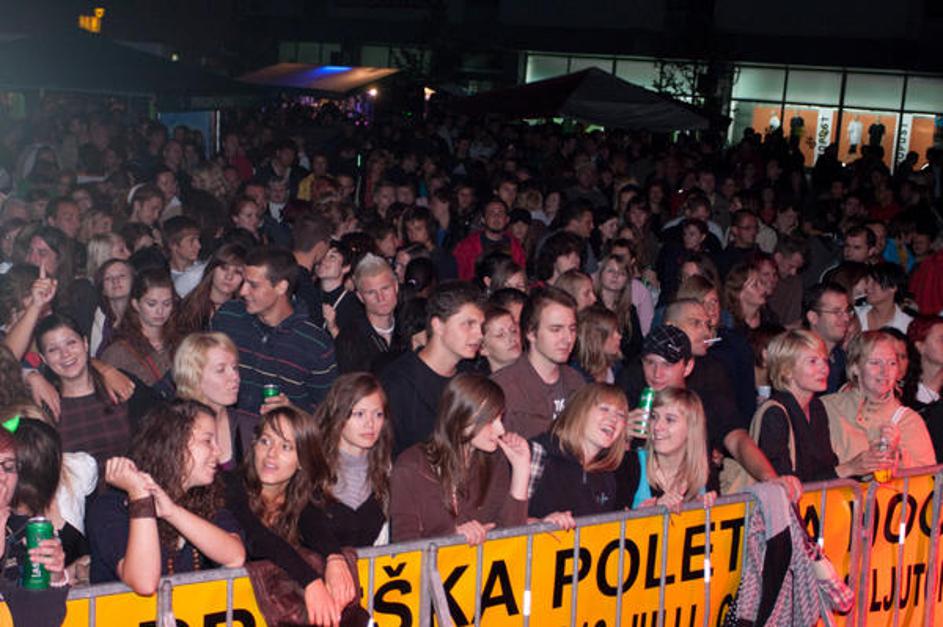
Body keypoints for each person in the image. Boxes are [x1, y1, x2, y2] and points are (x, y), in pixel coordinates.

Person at [224, 405, 361, 626]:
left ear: (302, 461)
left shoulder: (301, 500)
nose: (271, 454)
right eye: (265, 441)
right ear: (254, 445)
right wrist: (310, 581)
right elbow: (256, 537)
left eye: (286, 447)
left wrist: (335, 558)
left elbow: (316, 527)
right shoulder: (231, 486)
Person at [88, 399, 246, 591]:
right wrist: (141, 498)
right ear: (174, 444)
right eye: (207, 441)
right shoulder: (110, 507)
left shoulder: (204, 498)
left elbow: (235, 556)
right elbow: (144, 583)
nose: (218, 451)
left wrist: (171, 511)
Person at [211, 246, 337, 452]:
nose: (242, 291)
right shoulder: (228, 317)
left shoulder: (315, 343)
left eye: (253, 285)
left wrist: (292, 412)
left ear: (281, 287)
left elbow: (329, 413)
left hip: (280, 452)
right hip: (223, 445)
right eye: (244, 282)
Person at [389, 374, 530, 544]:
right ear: (461, 417)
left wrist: (521, 470)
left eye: (500, 418)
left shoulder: (494, 459)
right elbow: (403, 546)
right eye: (490, 420)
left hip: (484, 561)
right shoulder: (411, 466)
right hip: (434, 562)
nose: (501, 429)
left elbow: (511, 540)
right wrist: (451, 538)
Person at [36, 314, 155, 464]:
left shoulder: (119, 383)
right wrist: (29, 376)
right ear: (44, 359)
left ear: (85, 344)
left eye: (71, 343)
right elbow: (10, 428)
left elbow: (163, 423)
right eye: (53, 349)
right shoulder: (45, 405)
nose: (65, 354)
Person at [381, 281, 484, 455]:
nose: (480, 335)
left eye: (481, 326)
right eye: (468, 324)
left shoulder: (473, 376)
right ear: (438, 326)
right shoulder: (397, 383)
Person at [822, 331, 936, 476]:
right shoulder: (826, 409)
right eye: (875, 363)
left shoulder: (909, 421)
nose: (885, 371)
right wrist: (850, 468)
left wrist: (898, 457)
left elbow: (930, 479)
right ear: (855, 367)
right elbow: (809, 474)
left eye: (892, 363)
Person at [754, 329, 860, 482]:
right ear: (787, 371)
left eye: (825, 360)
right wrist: (849, 468)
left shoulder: (816, 408)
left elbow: (826, 468)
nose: (824, 368)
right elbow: (783, 482)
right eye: (813, 361)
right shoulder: (775, 414)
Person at [527, 383, 635, 521]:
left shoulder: (607, 477)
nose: (613, 419)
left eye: (620, 415)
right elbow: (504, 519)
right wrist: (540, 524)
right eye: (604, 409)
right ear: (580, 411)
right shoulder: (538, 454)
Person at [492, 286, 585, 439]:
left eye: (572, 329)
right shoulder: (503, 389)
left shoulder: (576, 382)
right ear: (531, 333)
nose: (568, 338)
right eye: (556, 329)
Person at [312, 372, 393, 547]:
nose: (370, 424)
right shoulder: (312, 467)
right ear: (339, 415)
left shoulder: (385, 469)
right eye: (359, 414)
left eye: (378, 414)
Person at [0, 426, 69, 605]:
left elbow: (45, 614)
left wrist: (55, 577)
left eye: (8, 467)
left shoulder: (25, 530)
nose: (2, 476)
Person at [633, 387, 714, 511]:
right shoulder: (631, 464)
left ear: (691, 428)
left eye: (669, 419)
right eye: (654, 417)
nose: (657, 426)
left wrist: (706, 511)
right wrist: (652, 511)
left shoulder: (704, 473)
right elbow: (611, 519)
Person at [100, 267, 180, 386]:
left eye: (167, 304)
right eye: (151, 304)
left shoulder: (181, 342)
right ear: (136, 304)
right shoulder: (117, 352)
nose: (160, 311)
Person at [173, 332, 241, 468]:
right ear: (194, 377)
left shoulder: (247, 426)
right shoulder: (174, 429)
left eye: (235, 368)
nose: (235, 376)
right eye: (221, 370)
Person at [335, 254, 400, 374]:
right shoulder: (350, 339)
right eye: (371, 293)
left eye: (385, 288)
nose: (380, 298)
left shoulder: (409, 327)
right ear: (360, 297)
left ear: (396, 287)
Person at [175, 243, 246, 335]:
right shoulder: (187, 306)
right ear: (212, 269)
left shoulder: (245, 313)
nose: (229, 277)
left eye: (237, 272)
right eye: (224, 268)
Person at [452, 199, 527, 281]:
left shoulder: (516, 247)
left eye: (500, 213)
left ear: (507, 219)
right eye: (491, 213)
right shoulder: (466, 247)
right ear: (483, 219)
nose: (496, 217)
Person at [804, 282, 853, 394]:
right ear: (813, 317)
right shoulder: (801, 362)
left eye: (847, 311)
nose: (846, 318)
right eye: (836, 312)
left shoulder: (841, 357)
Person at [89, 259, 134, 357]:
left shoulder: (145, 317)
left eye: (122, 276)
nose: (115, 281)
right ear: (103, 289)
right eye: (108, 278)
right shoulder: (98, 319)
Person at [855, 262, 913, 334]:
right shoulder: (855, 315)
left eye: (875, 282)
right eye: (867, 281)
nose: (867, 287)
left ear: (893, 287)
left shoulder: (907, 325)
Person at [572, 304, 623, 383]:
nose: (619, 336)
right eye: (612, 333)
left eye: (617, 331)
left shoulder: (616, 365)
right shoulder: (576, 373)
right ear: (595, 338)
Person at [164, 216, 206, 298]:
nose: (199, 246)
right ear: (173, 245)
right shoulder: (163, 276)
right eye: (191, 241)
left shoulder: (204, 270)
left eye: (198, 240)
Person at [478, 305, 521, 375]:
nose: (511, 338)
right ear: (483, 349)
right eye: (500, 335)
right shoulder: (479, 381)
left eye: (513, 330)